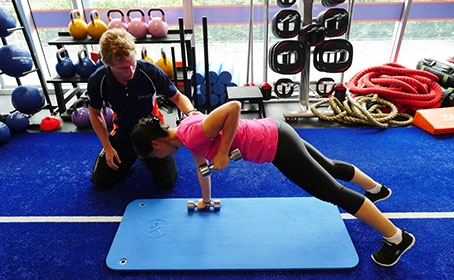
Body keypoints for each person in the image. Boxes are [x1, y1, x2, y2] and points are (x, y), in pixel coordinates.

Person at [130, 101, 415, 267]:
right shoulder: (186, 133)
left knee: (332, 193)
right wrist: (206, 201)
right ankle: (377, 190)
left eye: (155, 154)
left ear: (156, 143)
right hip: (277, 132)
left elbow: (233, 107)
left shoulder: (189, 134)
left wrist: (222, 151)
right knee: (327, 167)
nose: (160, 157)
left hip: (276, 145)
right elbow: (201, 169)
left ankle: (397, 239)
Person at [87, 28, 201, 189]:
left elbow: (177, 97)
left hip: (152, 132)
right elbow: (95, 113)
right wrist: (108, 147)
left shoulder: (149, 71)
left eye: (133, 63)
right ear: (107, 63)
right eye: (124, 68)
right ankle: (133, 154)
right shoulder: (98, 80)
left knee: (166, 182)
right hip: (123, 134)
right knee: (101, 181)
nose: (131, 71)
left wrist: (191, 112)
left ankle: (146, 154)